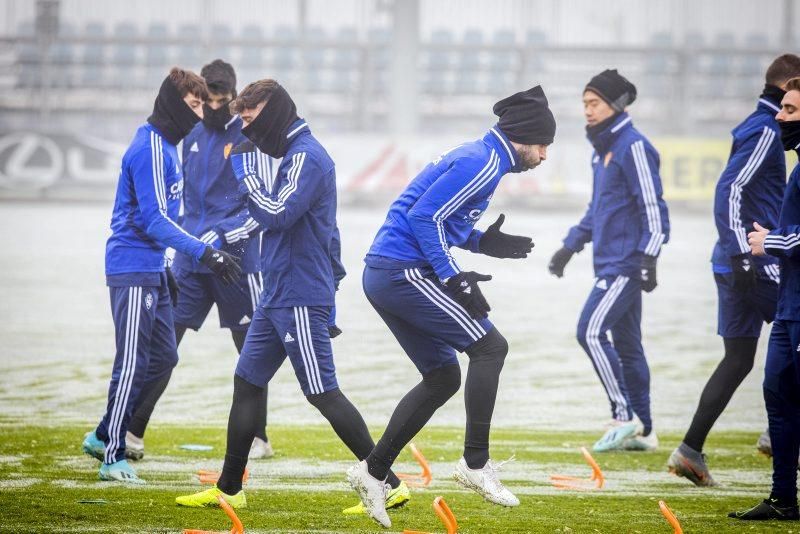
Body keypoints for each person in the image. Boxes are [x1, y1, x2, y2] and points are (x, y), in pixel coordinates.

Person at [174, 80, 408, 512]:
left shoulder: (308, 157)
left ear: (273, 110)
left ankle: (388, 481)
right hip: (277, 292)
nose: (246, 132)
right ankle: (229, 489)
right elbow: (329, 234)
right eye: (241, 123)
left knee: (321, 391)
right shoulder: (294, 156)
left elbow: (277, 214)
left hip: (299, 293)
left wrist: (242, 173)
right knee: (246, 383)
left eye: (249, 120)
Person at [347, 85, 553, 528]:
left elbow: (439, 218)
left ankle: (372, 470)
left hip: (386, 272)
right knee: (490, 348)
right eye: (542, 146)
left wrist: (483, 242)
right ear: (523, 138)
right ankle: (475, 464)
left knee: (442, 377)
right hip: (402, 272)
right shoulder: (484, 162)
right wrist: (453, 277)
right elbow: (423, 218)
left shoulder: (481, 155)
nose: (544, 156)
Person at [81, 68, 242, 484]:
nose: (200, 112)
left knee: (165, 356)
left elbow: (165, 218)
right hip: (132, 266)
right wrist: (207, 253)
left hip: (153, 265)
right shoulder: (151, 148)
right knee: (132, 360)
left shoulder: (170, 145)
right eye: (192, 105)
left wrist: (168, 265)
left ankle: (103, 433)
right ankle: (113, 452)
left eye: (202, 105)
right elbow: (154, 221)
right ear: (173, 103)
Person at [122, 59, 278, 461]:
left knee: (251, 352)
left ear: (232, 97)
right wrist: (186, 243)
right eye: (207, 101)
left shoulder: (248, 137)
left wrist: (222, 236)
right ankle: (132, 432)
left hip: (237, 266)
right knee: (162, 346)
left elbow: (260, 209)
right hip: (190, 264)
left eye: (223, 101)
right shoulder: (186, 136)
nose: (213, 108)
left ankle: (258, 437)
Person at [668, 54, 800, 487]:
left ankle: (690, 450)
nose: (788, 114)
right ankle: (777, 433)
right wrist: (743, 252)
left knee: (739, 358)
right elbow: (730, 188)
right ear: (787, 88)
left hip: (735, 261)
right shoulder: (765, 129)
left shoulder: (760, 124)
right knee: (791, 334)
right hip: (754, 262)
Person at [548, 69, 670, 453]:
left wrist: (649, 257)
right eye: (584, 104)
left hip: (626, 264)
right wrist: (570, 246)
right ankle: (645, 431)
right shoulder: (602, 150)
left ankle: (624, 416)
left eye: (594, 103)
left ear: (616, 105)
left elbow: (654, 208)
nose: (587, 110)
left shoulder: (633, 146)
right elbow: (598, 210)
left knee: (589, 331)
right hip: (609, 263)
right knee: (629, 346)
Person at [730, 77, 800, 522]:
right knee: (777, 395)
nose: (779, 115)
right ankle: (782, 499)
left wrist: (769, 242)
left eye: (791, 110)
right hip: (790, 307)